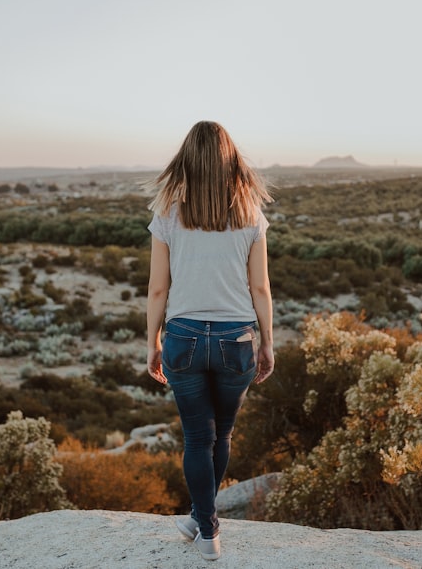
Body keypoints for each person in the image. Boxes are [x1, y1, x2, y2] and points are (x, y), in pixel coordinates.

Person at [146, 120, 275, 561]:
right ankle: (207, 524)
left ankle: (204, 524)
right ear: (229, 160)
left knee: (197, 439)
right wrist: (268, 343)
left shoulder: (168, 214)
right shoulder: (250, 215)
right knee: (223, 435)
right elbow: (260, 288)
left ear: (187, 160)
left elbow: (157, 289)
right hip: (236, 340)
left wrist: (153, 341)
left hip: (182, 336)